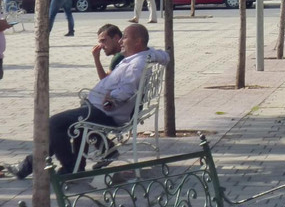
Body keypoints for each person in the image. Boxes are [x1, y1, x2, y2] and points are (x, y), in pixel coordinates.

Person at [12, 22, 169, 178]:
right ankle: (35, 166)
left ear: (138, 42)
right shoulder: (141, 56)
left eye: (125, 37)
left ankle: (69, 167)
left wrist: (111, 99)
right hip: (98, 107)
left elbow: (127, 90)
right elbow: (163, 55)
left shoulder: (137, 63)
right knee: (63, 126)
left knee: (54, 124)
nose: (121, 40)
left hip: (105, 112)